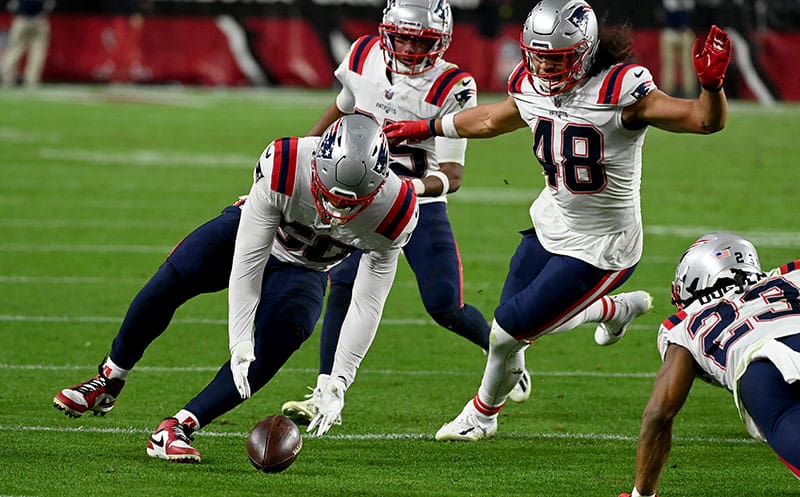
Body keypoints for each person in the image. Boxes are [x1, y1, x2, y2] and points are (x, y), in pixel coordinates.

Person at [382, 0, 732, 441]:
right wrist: (429, 127)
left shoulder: (620, 90)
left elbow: (703, 121)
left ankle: (482, 415)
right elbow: (491, 119)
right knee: (507, 330)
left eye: (557, 58)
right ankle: (614, 310)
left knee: (508, 332)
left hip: (603, 245)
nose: (545, 67)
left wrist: (711, 85)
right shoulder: (531, 84)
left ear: (585, 52)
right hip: (551, 223)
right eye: (539, 55)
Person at [53, 115, 419, 461]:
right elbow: (248, 259)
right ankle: (110, 378)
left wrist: (340, 378)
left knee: (279, 341)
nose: (335, 210)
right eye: (329, 194)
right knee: (171, 280)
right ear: (317, 167)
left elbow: (368, 300)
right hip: (253, 236)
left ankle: (178, 428)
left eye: (349, 203)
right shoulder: (287, 164)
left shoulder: (396, 209)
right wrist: (239, 337)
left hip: (307, 268)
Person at [280, 0, 531, 427]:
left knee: (444, 305)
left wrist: (399, 189)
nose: (411, 48)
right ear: (386, 31)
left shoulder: (452, 83)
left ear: (442, 41)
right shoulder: (362, 56)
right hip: (360, 202)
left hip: (418, 202)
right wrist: (305, 149)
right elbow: (343, 105)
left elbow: (451, 176)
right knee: (341, 284)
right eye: (404, 37)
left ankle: (505, 350)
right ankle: (326, 389)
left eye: (422, 41)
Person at [618, 233, 800, 497]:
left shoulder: (683, 325)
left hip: (765, 374)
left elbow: (659, 413)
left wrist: (642, 494)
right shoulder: (788, 275)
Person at [1, 0, 54, 87]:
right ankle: (31, 81)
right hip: (39, 20)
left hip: (22, 20)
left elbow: (12, 6)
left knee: (14, 51)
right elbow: (49, 6)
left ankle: (7, 79)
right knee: (38, 52)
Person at [659, 0, 696, 97]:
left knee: (685, 65)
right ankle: (669, 92)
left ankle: (688, 92)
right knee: (671, 66)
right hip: (675, 32)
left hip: (676, 32)